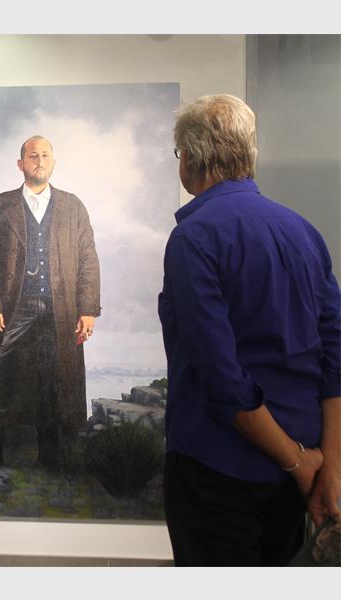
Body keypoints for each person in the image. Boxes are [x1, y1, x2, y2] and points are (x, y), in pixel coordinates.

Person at [158, 94, 341, 566]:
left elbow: (223, 377)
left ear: (189, 159)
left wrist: (300, 463)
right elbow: (334, 361)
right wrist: (326, 469)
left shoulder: (193, 238)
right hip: (296, 477)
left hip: (216, 471)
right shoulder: (305, 233)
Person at [0, 135, 101, 471]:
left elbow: (88, 259)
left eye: (45, 155)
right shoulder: (1, 206)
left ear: (54, 162)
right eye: (33, 156)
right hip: (13, 307)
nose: (39, 161)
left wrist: (88, 310)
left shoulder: (73, 207)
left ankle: (51, 454)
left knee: (54, 378)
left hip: (61, 309)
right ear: (21, 164)